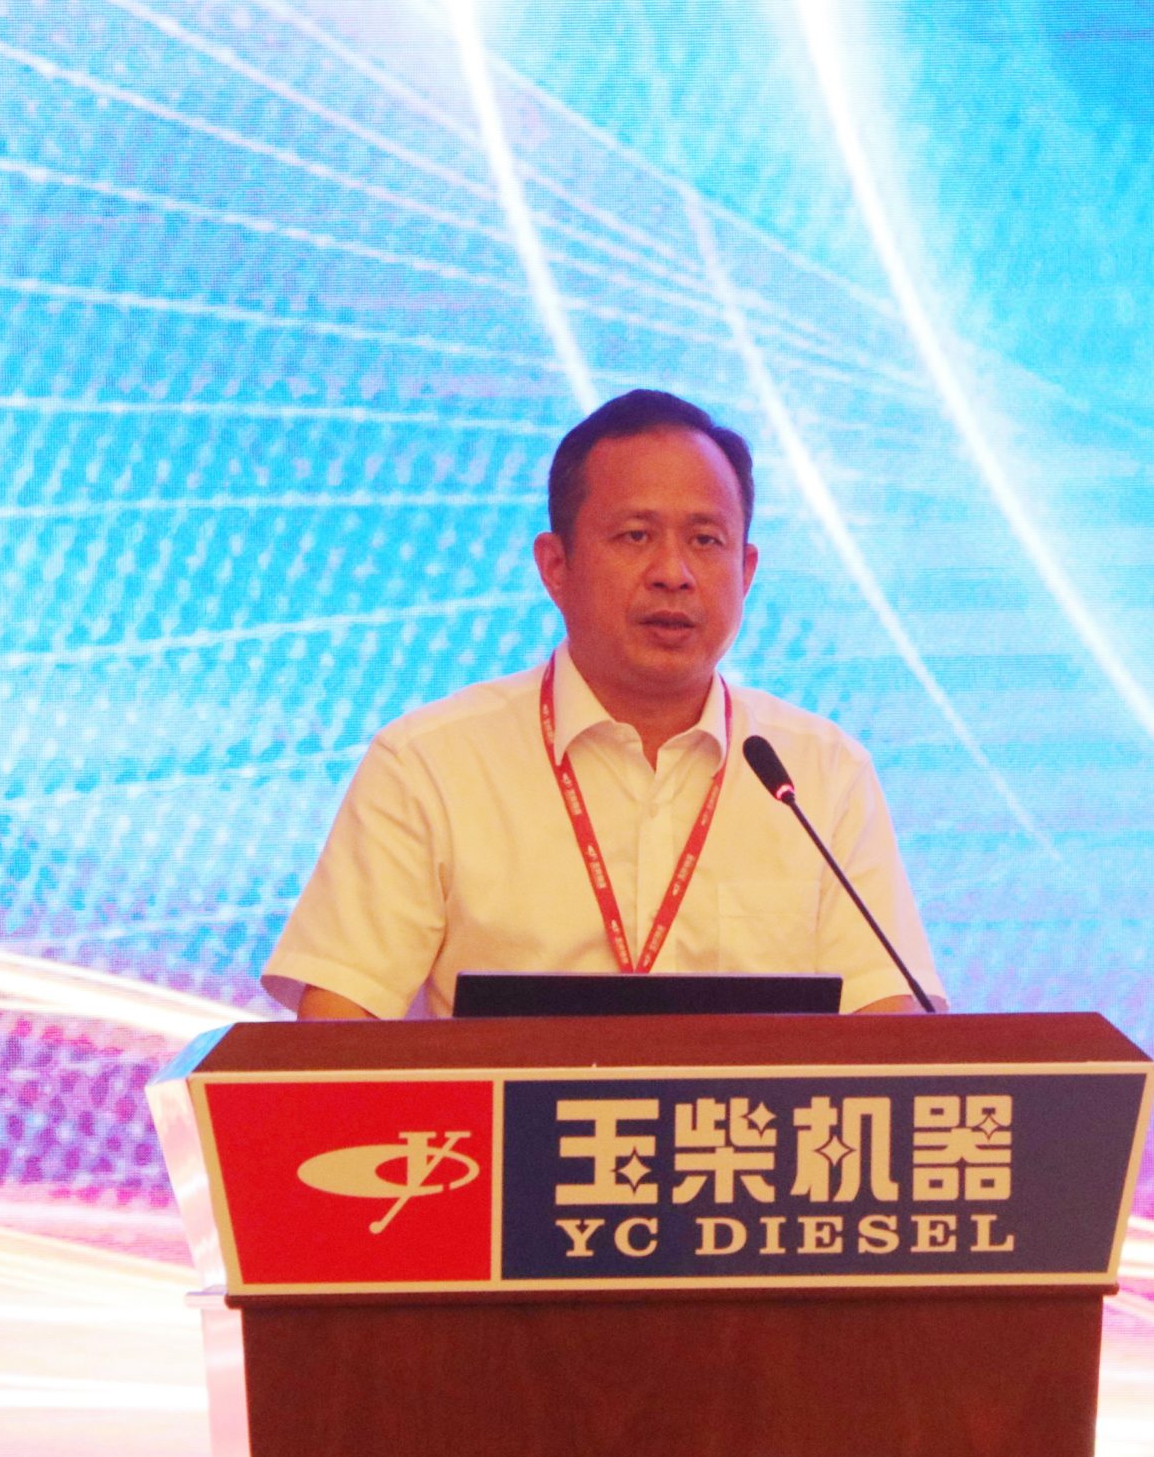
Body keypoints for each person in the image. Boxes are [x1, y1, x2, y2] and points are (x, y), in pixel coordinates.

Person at [264, 388, 945, 1019]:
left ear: (746, 571)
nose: (673, 573)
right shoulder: (430, 766)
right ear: (555, 566)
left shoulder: (819, 775)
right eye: (636, 536)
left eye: (706, 540)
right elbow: (336, 1037)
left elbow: (893, 1039)